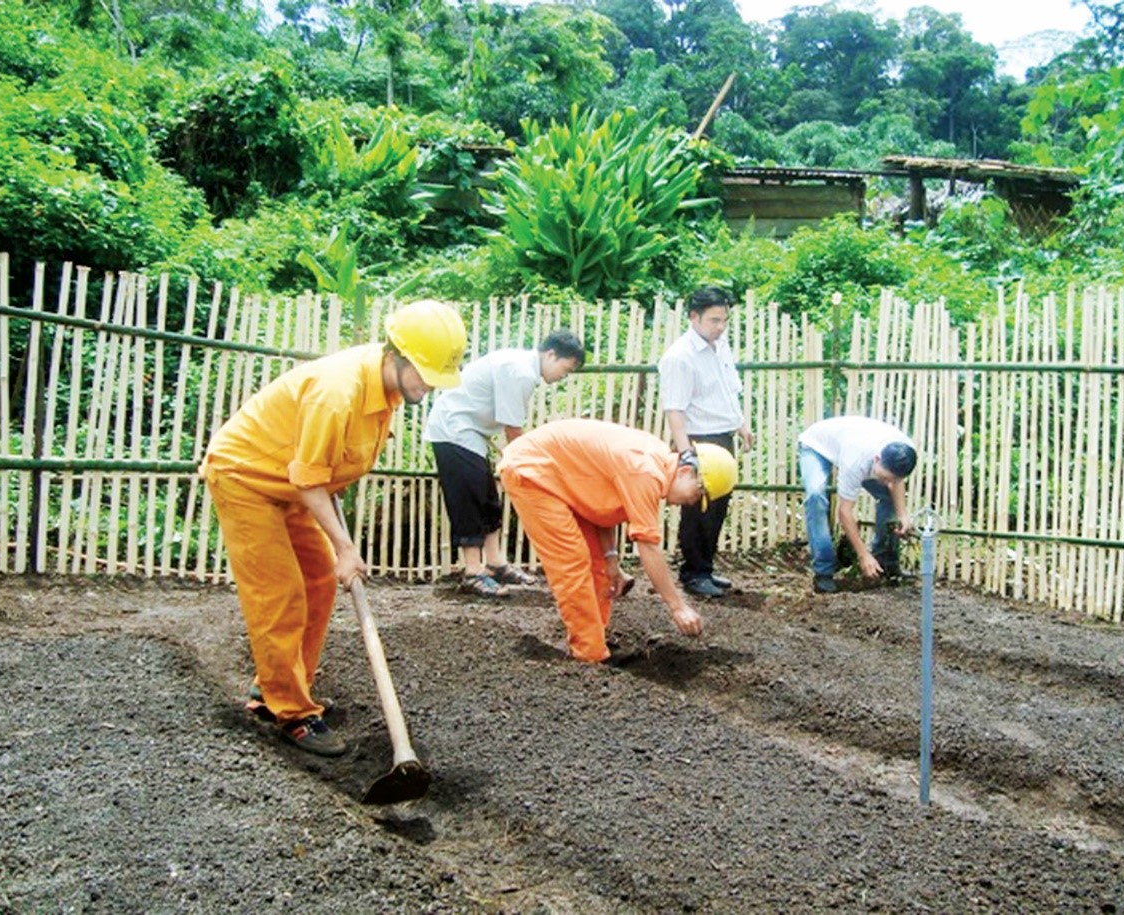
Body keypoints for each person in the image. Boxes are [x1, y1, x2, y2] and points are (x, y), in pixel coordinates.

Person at [200, 300, 467, 757]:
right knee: (280, 593)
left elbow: (324, 465)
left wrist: (336, 483)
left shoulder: (387, 389)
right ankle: (292, 713)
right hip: (248, 478)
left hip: (293, 483)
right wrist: (345, 547)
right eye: (423, 374)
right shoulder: (338, 391)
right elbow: (307, 477)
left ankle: (278, 687)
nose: (428, 386)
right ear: (396, 356)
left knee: (319, 582)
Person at [496, 418, 738, 663]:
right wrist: (678, 607)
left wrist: (611, 559)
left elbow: (601, 506)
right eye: (699, 493)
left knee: (600, 565)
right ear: (686, 471)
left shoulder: (653, 461)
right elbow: (649, 546)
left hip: (558, 476)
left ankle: (594, 637)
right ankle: (590, 655)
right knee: (572, 563)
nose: (693, 502)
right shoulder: (645, 472)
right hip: (532, 471)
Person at [425, 330, 585, 598]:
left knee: (488, 499)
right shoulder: (520, 371)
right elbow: (513, 429)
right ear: (550, 354)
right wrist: (524, 467)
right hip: (454, 429)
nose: (562, 377)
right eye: (565, 369)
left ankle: (496, 563)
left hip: (472, 432)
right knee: (470, 499)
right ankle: (473, 573)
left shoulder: (524, 368)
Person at [657, 285, 753, 599]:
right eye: (714, 320)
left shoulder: (720, 345)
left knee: (718, 506)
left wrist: (740, 425)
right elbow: (675, 409)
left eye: (724, 319)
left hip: (723, 436)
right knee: (698, 509)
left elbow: (726, 389)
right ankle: (693, 573)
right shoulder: (679, 357)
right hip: (699, 440)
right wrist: (686, 453)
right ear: (693, 317)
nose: (720, 326)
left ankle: (705, 568)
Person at [797, 416, 919, 594]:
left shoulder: (904, 451)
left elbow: (896, 482)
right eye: (884, 477)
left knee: (889, 497)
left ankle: (884, 562)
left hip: (851, 443)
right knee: (816, 497)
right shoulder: (855, 460)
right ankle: (823, 572)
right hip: (816, 446)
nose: (887, 482)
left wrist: (902, 515)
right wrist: (863, 555)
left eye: (892, 479)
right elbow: (845, 512)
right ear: (877, 459)